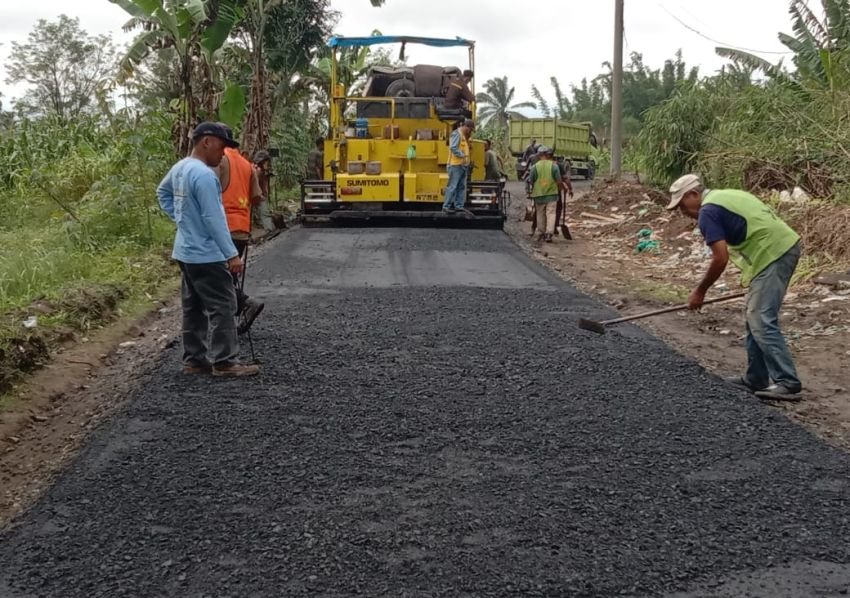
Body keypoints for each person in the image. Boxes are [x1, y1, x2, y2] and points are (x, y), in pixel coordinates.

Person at [667, 174, 802, 401]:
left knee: (760, 317)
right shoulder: (724, 195)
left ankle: (787, 382)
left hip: (773, 253)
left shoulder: (708, 211)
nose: (683, 211)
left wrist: (699, 292)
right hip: (779, 249)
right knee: (754, 317)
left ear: (693, 194)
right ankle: (756, 379)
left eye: (682, 204)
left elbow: (720, 258)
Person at [156, 122, 259, 377]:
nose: (223, 154)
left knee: (193, 306)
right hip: (206, 253)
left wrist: (182, 219)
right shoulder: (203, 175)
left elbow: (162, 192)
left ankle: (195, 360)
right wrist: (231, 254)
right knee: (223, 304)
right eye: (221, 147)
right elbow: (214, 219)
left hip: (185, 251)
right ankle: (225, 361)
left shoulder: (180, 168)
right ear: (206, 141)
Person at [212, 124, 265, 336]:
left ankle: (243, 304)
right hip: (241, 230)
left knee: (216, 279)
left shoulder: (218, 161)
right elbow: (257, 197)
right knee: (227, 277)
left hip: (221, 228)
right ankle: (232, 317)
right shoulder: (246, 165)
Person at [528, 146, 569, 242]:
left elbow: (531, 180)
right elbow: (559, 181)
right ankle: (549, 234)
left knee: (540, 213)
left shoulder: (535, 167)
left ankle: (541, 232)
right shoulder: (554, 166)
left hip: (538, 194)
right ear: (547, 155)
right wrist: (562, 188)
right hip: (551, 194)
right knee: (551, 213)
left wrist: (535, 188)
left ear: (539, 155)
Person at [443, 118, 474, 214]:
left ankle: (459, 206)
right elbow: (453, 147)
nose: (470, 132)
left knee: (461, 187)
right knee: (452, 186)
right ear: (466, 127)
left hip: (462, 166)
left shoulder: (463, 136)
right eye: (470, 129)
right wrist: (462, 156)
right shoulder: (457, 134)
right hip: (455, 165)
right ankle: (446, 206)